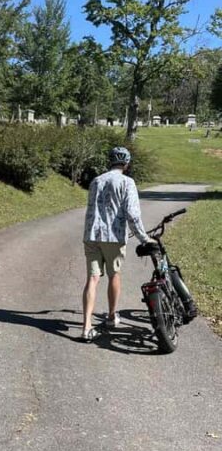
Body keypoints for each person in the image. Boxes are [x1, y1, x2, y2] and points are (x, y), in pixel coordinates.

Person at [81, 145, 152, 341]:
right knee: (114, 275)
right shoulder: (127, 182)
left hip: (91, 235)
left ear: (110, 161)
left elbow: (91, 208)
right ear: (126, 163)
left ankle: (86, 327)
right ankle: (112, 316)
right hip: (114, 235)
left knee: (92, 278)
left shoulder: (96, 180)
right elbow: (132, 214)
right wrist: (144, 238)